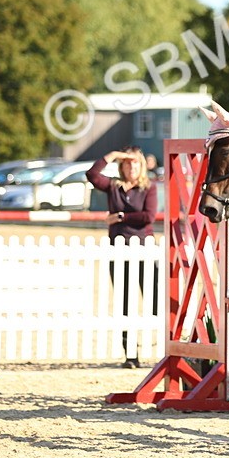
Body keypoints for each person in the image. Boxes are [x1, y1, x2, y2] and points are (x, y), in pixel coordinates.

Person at [86, 146, 159, 368]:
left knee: (155, 300)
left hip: (143, 250)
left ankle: (163, 346)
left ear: (142, 165)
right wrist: (112, 155)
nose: (131, 167)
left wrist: (119, 217)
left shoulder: (149, 187)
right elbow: (92, 175)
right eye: (126, 163)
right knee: (125, 303)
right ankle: (130, 354)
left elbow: (148, 217)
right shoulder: (114, 186)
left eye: (135, 162)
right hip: (118, 251)